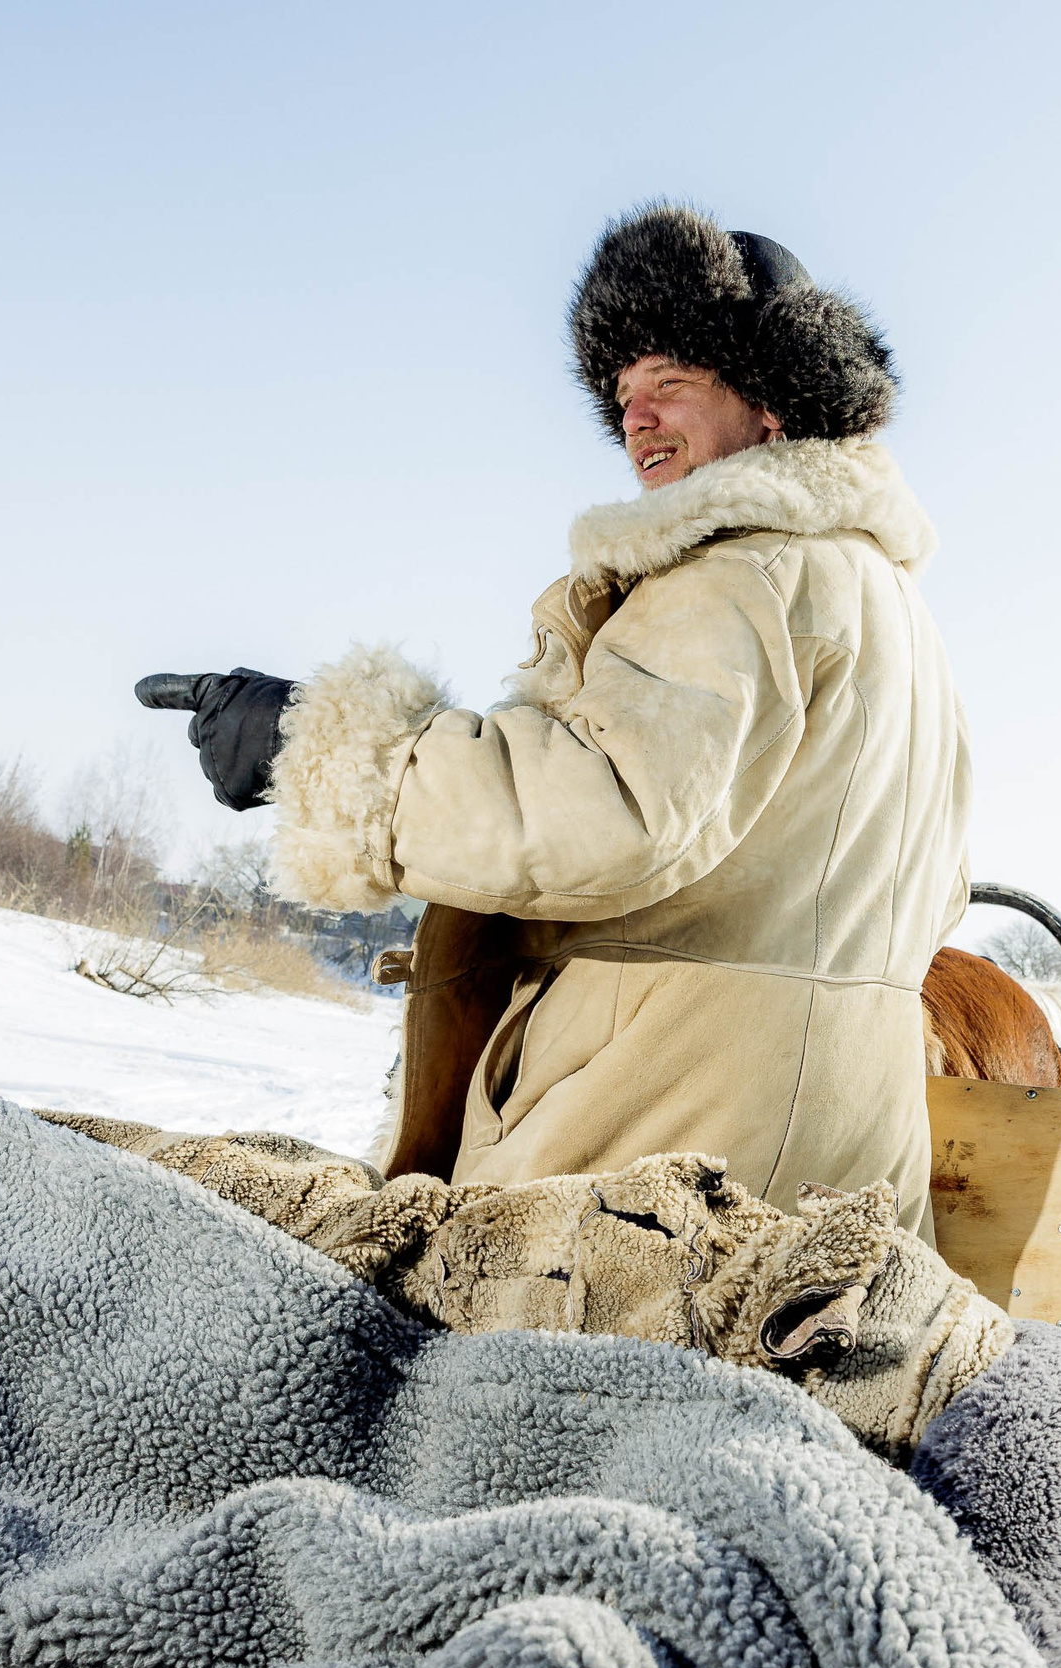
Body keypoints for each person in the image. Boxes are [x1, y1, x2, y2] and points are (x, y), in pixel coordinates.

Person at [175, 203, 970, 1238]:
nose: (636, 416)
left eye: (671, 383)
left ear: (775, 404)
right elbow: (934, 890)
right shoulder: (896, 613)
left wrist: (319, 751)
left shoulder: (741, 571)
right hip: (847, 1175)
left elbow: (604, 812)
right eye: (622, 395)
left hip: (655, 1158)